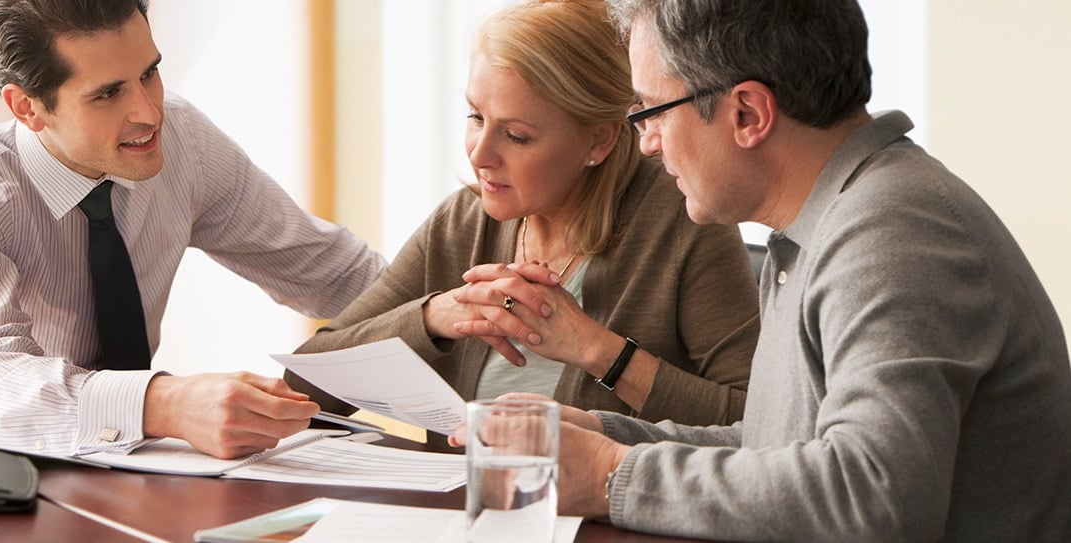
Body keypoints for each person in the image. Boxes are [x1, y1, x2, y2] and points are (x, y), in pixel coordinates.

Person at [451, 0, 1071, 541]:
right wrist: (607, 438)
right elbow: (779, 449)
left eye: (653, 112)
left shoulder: (894, 234)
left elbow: (874, 494)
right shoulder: (828, 222)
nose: (647, 142)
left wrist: (611, 475)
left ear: (748, 113)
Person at [285, 0, 759, 449]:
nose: (479, 154)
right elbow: (303, 387)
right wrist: (435, 317)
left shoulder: (686, 219)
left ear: (599, 141)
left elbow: (756, 425)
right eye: (476, 116)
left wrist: (596, 349)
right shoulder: (461, 223)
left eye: (516, 135)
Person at [0, 0, 386, 459]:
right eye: (108, 94)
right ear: (27, 107)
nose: (149, 114)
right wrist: (166, 403)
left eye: (149, 73)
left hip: (152, 475)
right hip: (22, 477)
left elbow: (336, 275)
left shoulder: (184, 139)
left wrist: (428, 314)